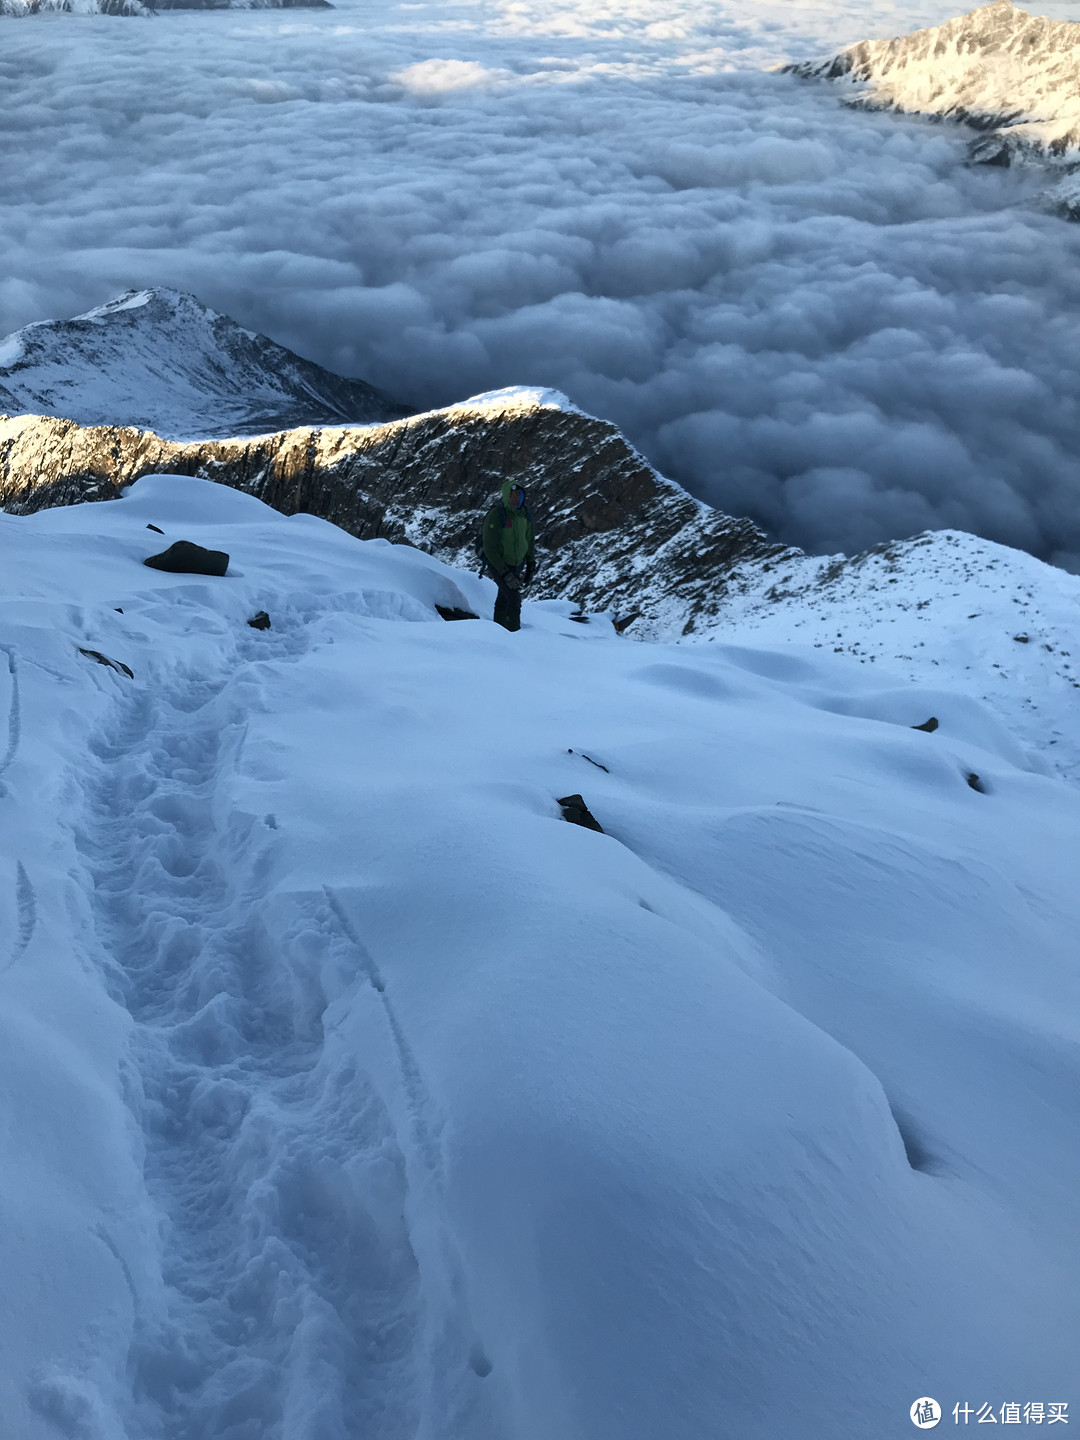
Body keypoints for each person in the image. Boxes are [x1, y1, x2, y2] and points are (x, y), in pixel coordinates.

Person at [481, 481, 536, 632]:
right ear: (506, 495)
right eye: (512, 495)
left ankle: (498, 630)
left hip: (517, 563)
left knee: (504, 598)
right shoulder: (497, 514)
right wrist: (504, 573)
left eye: (518, 494)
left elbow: (529, 539)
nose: (515, 498)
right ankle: (514, 634)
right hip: (498, 562)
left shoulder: (525, 513)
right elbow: (489, 547)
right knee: (513, 599)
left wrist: (531, 563)